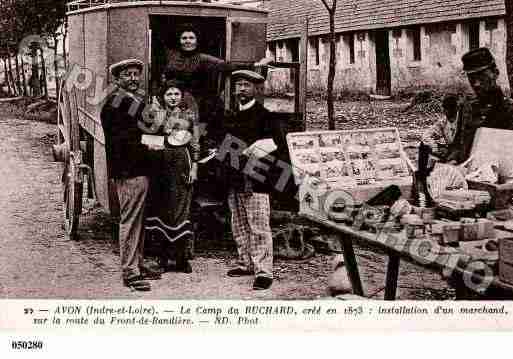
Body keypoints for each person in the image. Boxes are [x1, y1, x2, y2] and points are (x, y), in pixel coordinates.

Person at [100, 59, 161, 291]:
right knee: (130, 220)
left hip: (138, 169)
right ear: (117, 79)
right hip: (129, 170)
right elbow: (125, 141)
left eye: (136, 74)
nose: (134, 79)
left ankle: (137, 264)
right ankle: (130, 272)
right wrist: (152, 142)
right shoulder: (116, 104)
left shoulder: (133, 102)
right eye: (128, 75)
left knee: (138, 220)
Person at [220, 70, 284, 290]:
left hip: (256, 181)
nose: (241, 90)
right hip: (234, 178)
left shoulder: (267, 116)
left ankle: (264, 271)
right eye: (238, 85)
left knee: (258, 226)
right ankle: (245, 262)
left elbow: (276, 148)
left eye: (246, 85)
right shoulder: (231, 116)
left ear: (257, 89)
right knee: (238, 224)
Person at [162, 23, 272, 147]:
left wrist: (256, 65)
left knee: (205, 141)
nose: (188, 41)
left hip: (205, 107)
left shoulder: (204, 59)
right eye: (184, 38)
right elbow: (166, 84)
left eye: (191, 38)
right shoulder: (172, 62)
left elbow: (229, 67)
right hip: (182, 106)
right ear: (180, 41)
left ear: (197, 41)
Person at [142, 80, 199, 274]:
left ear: (181, 96)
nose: (173, 97)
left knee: (182, 209)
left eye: (176, 94)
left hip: (182, 162)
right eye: (169, 94)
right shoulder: (154, 114)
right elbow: (146, 136)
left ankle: (182, 258)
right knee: (162, 209)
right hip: (161, 163)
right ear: (163, 97)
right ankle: (163, 257)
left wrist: (195, 168)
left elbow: (195, 143)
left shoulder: (189, 116)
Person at [445, 47, 513, 164]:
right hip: (466, 175)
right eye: (471, 78)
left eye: (482, 77)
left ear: (495, 73)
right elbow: (457, 144)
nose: (476, 84)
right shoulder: (466, 107)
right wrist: (452, 159)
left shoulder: (509, 109)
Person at [421, 93, 461, 162]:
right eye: (445, 109)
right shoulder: (443, 122)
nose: (445, 112)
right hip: (450, 151)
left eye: (448, 109)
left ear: (456, 109)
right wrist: (434, 146)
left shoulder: (463, 120)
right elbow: (426, 136)